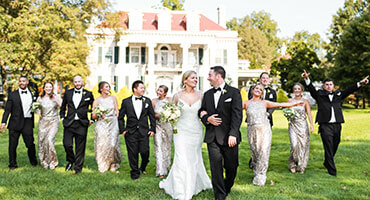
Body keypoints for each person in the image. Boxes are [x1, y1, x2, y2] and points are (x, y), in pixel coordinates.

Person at [302, 70, 369, 176]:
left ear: (333, 86)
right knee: (328, 145)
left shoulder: (338, 94)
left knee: (335, 143)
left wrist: (360, 83)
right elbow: (311, 89)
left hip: (337, 124)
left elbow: (349, 90)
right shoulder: (319, 95)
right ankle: (332, 170)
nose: (328, 86)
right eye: (327, 85)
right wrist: (306, 79)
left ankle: (326, 162)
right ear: (323, 86)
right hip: (325, 124)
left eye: (330, 84)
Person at [160, 70, 212, 200]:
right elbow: (171, 112)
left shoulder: (201, 95)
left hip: (196, 131)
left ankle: (193, 184)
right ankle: (180, 190)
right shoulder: (177, 96)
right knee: (181, 158)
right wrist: (170, 117)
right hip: (181, 131)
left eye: (196, 78)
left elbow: (205, 112)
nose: (195, 80)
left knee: (194, 158)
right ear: (185, 80)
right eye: (193, 78)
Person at [243, 83, 304, 186]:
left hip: (264, 130)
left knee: (263, 152)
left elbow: (280, 104)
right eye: (256, 88)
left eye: (260, 89)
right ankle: (256, 172)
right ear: (252, 90)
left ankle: (260, 177)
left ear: (262, 93)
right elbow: (232, 108)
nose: (258, 90)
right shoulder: (246, 103)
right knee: (255, 154)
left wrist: (294, 104)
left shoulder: (265, 103)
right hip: (252, 131)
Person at [199, 66, 242, 200]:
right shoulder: (207, 94)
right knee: (215, 168)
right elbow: (201, 111)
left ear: (218, 76)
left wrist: (233, 134)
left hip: (229, 136)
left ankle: (226, 186)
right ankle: (219, 196)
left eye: (210, 75)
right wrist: (207, 119)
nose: (208, 78)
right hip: (212, 137)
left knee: (232, 166)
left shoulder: (234, 93)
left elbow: (237, 115)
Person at [118, 80, 156, 180]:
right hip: (131, 132)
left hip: (144, 131)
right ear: (135, 89)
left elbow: (151, 116)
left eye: (143, 88)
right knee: (132, 153)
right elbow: (120, 117)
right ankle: (134, 172)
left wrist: (152, 129)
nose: (143, 89)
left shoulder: (147, 101)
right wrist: (123, 130)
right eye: (141, 88)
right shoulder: (126, 102)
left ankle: (143, 166)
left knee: (145, 151)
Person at [1, 76, 38, 170]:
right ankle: (12, 164)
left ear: (27, 82)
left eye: (23, 81)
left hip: (28, 122)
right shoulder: (13, 94)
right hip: (15, 123)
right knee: (12, 145)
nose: (21, 83)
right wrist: (3, 123)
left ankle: (34, 162)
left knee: (30, 144)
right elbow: (7, 110)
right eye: (20, 81)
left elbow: (36, 106)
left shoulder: (33, 93)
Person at [60, 75, 94, 174]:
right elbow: (63, 106)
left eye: (79, 81)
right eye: (75, 82)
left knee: (80, 147)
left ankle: (78, 168)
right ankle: (71, 160)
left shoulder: (88, 94)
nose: (77, 83)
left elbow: (94, 107)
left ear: (82, 82)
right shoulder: (68, 93)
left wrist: (92, 119)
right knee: (67, 144)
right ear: (73, 83)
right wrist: (62, 117)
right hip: (69, 123)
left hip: (82, 123)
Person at [247, 72, 276, 169]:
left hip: (266, 121)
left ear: (269, 80)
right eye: (263, 78)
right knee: (254, 144)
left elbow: (274, 104)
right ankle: (254, 161)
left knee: (264, 144)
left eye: (266, 78)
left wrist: (269, 113)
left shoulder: (272, 92)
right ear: (260, 79)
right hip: (253, 120)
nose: (265, 80)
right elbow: (250, 102)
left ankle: (262, 163)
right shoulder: (253, 89)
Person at [92, 81, 122, 173]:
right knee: (102, 144)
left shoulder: (113, 98)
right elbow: (93, 116)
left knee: (113, 144)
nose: (108, 88)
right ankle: (103, 164)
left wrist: (116, 120)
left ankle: (114, 163)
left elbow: (117, 111)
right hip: (101, 123)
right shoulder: (97, 100)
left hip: (113, 122)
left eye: (109, 87)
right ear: (101, 89)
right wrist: (99, 114)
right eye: (106, 87)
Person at [287, 83, 314, 173]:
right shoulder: (290, 101)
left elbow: (309, 114)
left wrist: (311, 125)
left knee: (303, 145)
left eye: (299, 89)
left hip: (303, 126)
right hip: (293, 125)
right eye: (295, 89)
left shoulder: (305, 101)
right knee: (294, 145)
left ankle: (301, 165)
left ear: (302, 90)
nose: (297, 90)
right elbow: (286, 112)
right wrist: (288, 116)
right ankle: (292, 163)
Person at [37, 82, 62, 170]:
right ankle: (44, 161)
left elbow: (63, 107)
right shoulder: (40, 98)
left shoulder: (56, 97)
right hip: (43, 122)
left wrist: (57, 101)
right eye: (46, 87)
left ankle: (52, 161)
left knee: (49, 140)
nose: (48, 89)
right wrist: (37, 111)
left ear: (52, 88)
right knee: (42, 142)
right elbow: (37, 109)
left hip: (53, 121)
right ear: (44, 88)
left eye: (50, 87)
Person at [152, 85, 172, 178]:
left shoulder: (169, 100)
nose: (158, 92)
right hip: (158, 126)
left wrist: (168, 115)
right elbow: (151, 114)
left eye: (161, 91)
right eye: (158, 90)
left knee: (167, 147)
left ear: (165, 93)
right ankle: (160, 171)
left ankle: (166, 167)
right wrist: (157, 116)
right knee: (158, 146)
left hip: (168, 126)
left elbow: (173, 112)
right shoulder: (154, 101)